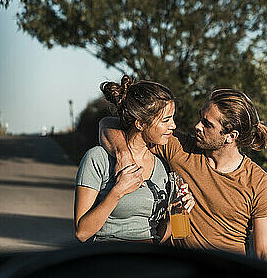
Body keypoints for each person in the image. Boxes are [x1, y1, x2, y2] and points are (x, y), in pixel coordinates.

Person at [100, 89, 267, 264]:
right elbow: (109, 123)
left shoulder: (259, 183)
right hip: (175, 269)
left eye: (207, 124)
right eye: (200, 117)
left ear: (230, 136)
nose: (197, 126)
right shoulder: (180, 148)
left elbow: (265, 254)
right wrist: (123, 154)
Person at [74, 76, 194, 243]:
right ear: (140, 124)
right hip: (109, 259)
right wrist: (117, 191)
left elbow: (157, 236)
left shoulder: (163, 166)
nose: (173, 125)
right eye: (166, 120)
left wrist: (177, 211)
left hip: (148, 260)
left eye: (172, 118)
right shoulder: (97, 158)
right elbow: (82, 232)